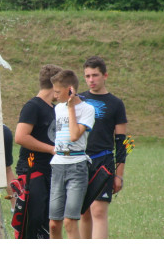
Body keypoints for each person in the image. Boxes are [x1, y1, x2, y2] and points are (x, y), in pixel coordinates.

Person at [79, 56, 128, 239]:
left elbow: (121, 142)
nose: (91, 80)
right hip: (80, 160)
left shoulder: (116, 104)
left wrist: (119, 175)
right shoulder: (79, 100)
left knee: (98, 211)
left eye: (95, 75)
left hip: (103, 161)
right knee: (83, 213)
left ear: (105, 75)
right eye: (87, 76)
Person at [14, 64, 63, 239]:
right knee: (32, 224)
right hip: (32, 172)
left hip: (48, 172)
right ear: (55, 84)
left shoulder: (53, 108)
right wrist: (52, 149)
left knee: (45, 223)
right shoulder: (33, 106)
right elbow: (20, 137)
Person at [48, 69, 95, 239]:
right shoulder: (57, 108)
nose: (54, 95)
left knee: (69, 221)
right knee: (54, 224)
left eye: (58, 91)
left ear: (70, 90)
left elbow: (75, 135)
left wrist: (70, 108)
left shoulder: (87, 110)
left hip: (77, 166)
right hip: (58, 165)